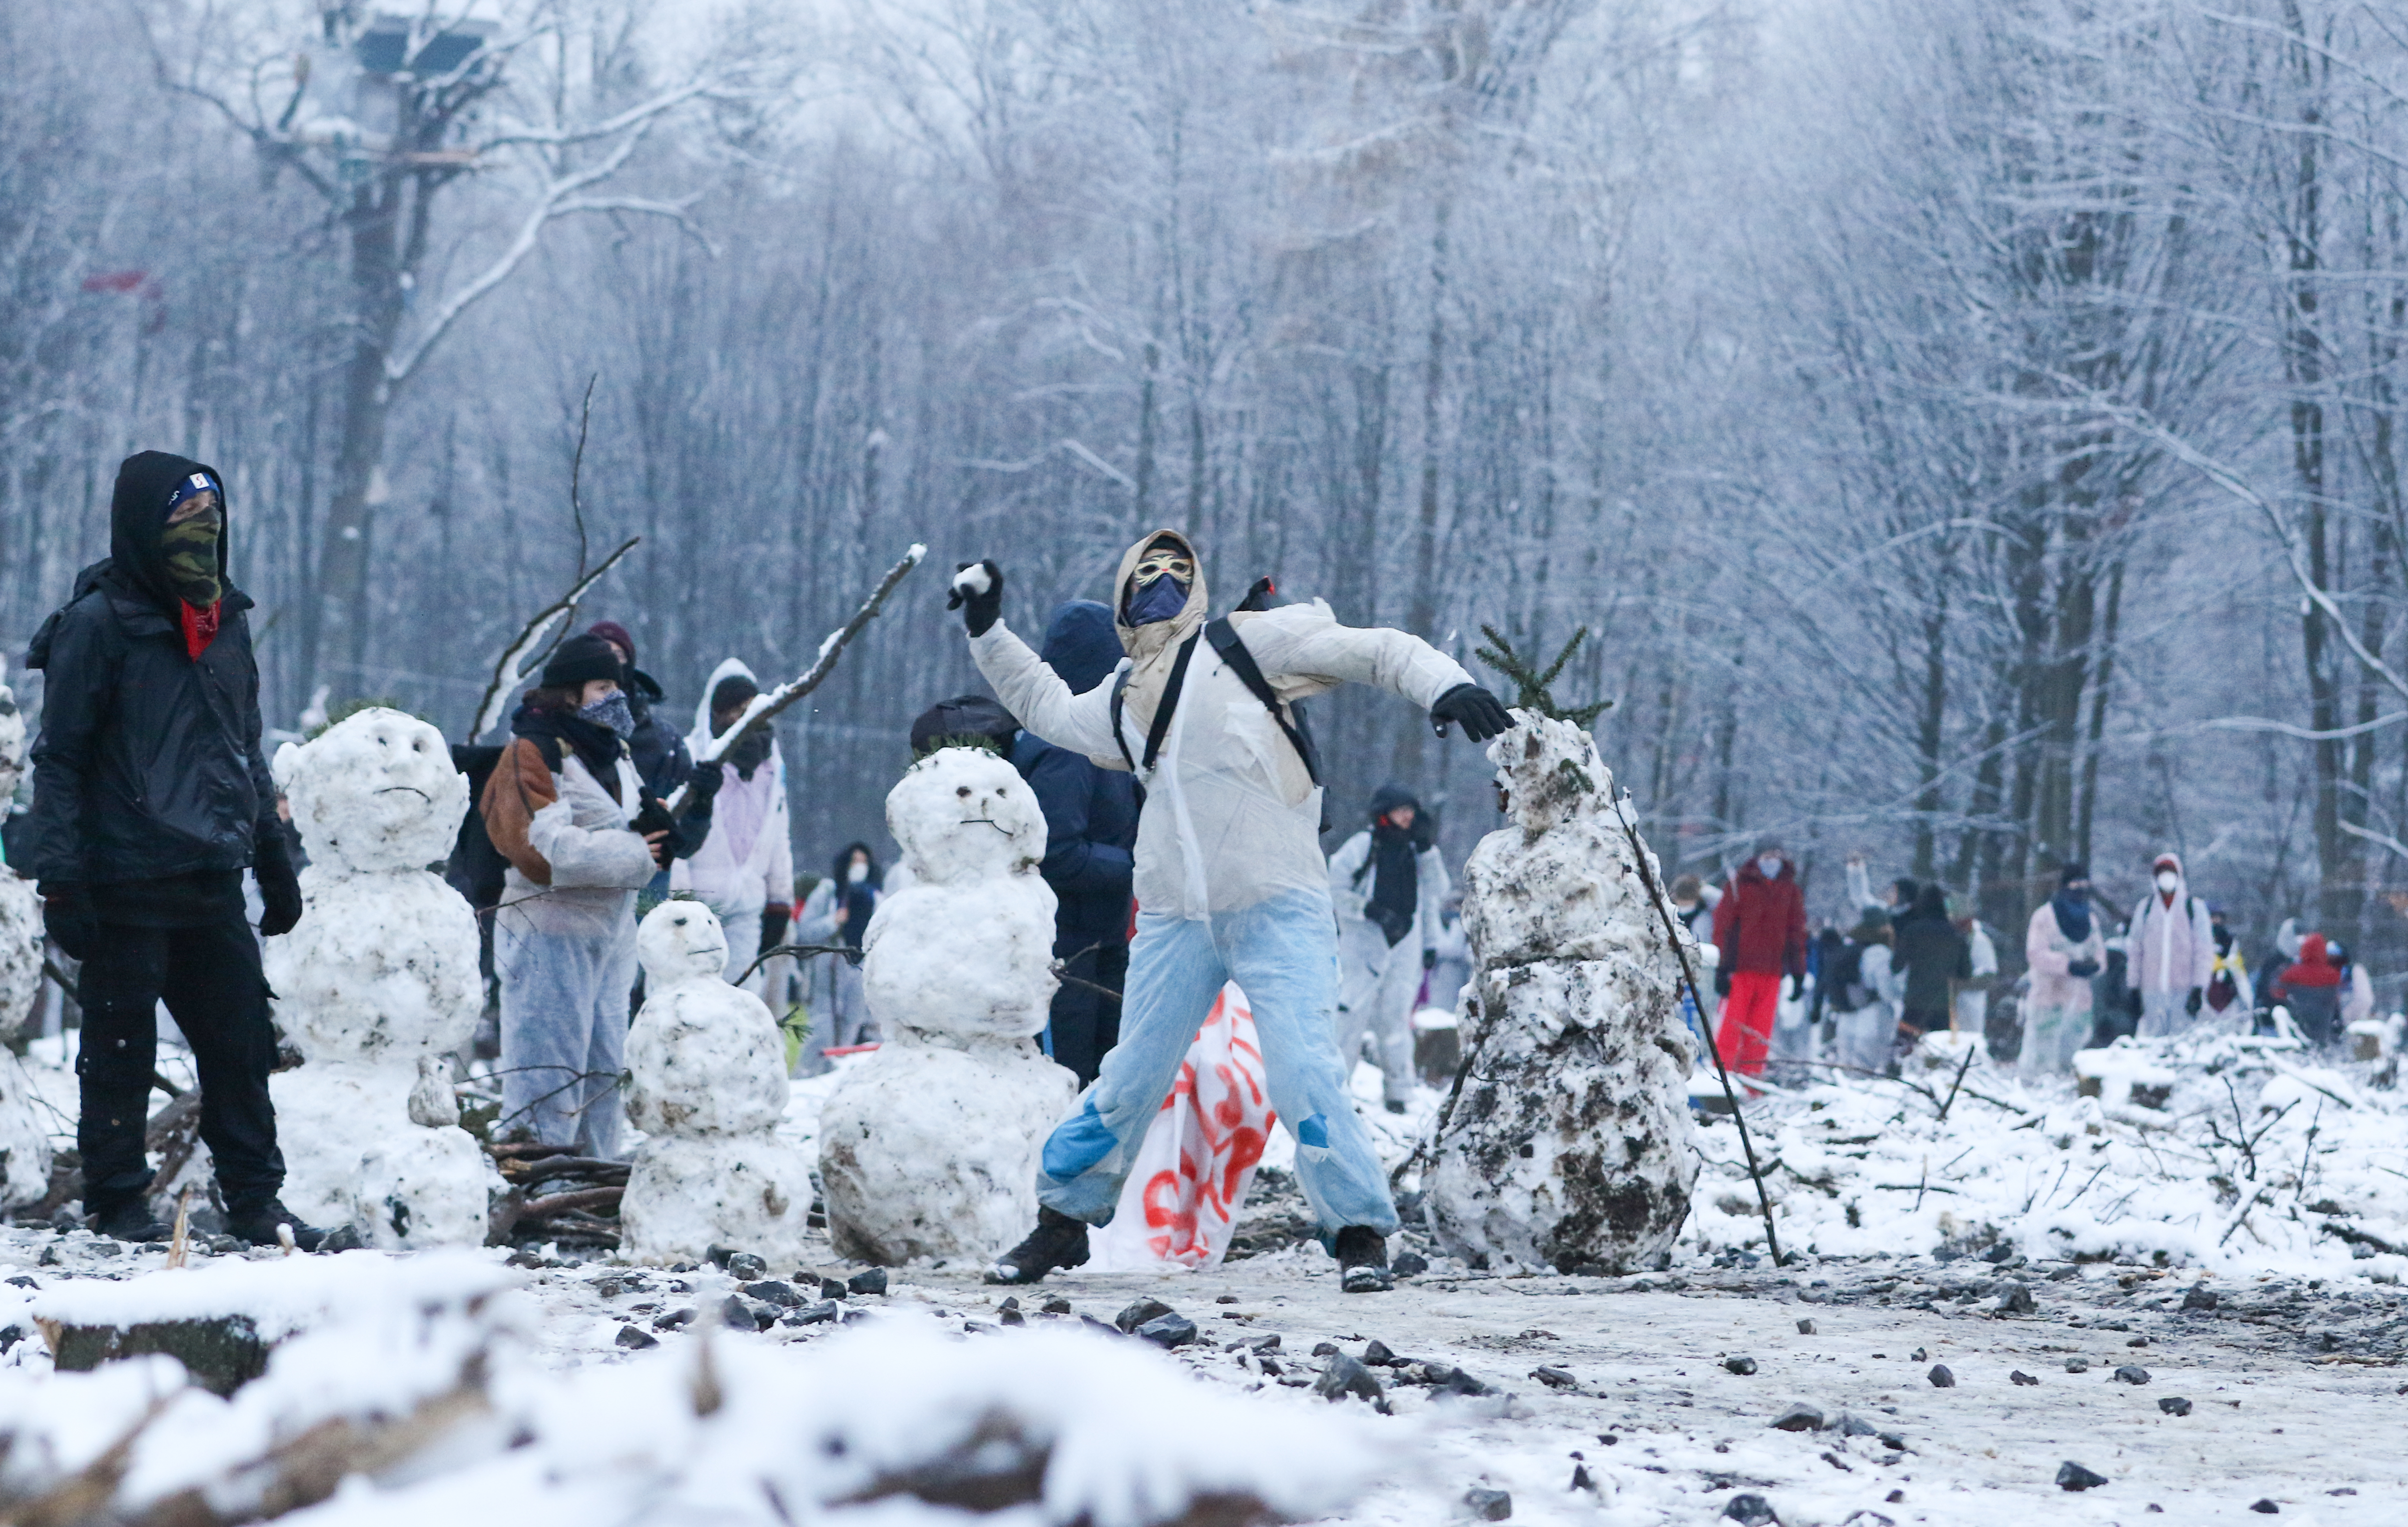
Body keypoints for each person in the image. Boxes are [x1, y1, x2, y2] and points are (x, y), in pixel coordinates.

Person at [951, 529, 1511, 1292]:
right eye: (1145, 574)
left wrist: (1445, 686)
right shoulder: (1124, 696)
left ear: (1198, 586)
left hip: (1280, 904)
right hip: (1178, 917)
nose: (1160, 583)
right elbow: (1045, 706)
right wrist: (987, 627)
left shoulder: (1249, 642)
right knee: (1129, 1077)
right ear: (1122, 594)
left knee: (1304, 1067)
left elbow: (1375, 649)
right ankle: (1061, 1224)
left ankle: (1357, 1233)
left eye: (1176, 572)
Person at [23, 451, 321, 1247]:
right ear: (142, 528)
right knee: (120, 1050)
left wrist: (272, 856)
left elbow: (242, 747)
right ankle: (118, 1201)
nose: (203, 536)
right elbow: (61, 759)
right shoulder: (96, 625)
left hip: (212, 879)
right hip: (125, 878)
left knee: (242, 1045)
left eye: (211, 520)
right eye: (183, 521)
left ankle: (258, 1201)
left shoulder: (228, 620)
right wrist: (62, 879)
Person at [479, 633, 668, 1156]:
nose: (615, 696)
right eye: (602, 685)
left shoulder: (612, 748)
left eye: (616, 684)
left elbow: (620, 824)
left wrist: (662, 825)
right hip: (549, 932)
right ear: (569, 691)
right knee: (549, 1068)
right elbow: (541, 849)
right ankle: (536, 1178)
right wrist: (636, 853)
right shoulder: (533, 750)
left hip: (611, 932)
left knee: (605, 1064)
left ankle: (593, 1179)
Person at [993, 602, 1142, 1090]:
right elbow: (1056, 851)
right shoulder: (1063, 743)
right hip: (1065, 951)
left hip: (1099, 939)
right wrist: (1136, 866)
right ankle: (1052, 1168)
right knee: (1068, 1081)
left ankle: (1094, 1168)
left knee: (1104, 1079)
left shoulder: (1098, 737)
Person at [669, 661, 794, 996]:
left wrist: (780, 900)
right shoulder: (693, 756)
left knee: (741, 997)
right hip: (700, 903)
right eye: (732, 710)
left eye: (747, 708)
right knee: (692, 997)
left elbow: (779, 834)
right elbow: (673, 831)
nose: (741, 717)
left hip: (748, 905)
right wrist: (678, 898)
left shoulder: (772, 765)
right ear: (715, 711)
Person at [1328, 783, 1449, 1115]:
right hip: (1363, 943)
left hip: (1405, 945)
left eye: (1411, 810)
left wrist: (1430, 943)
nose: (1407, 817)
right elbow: (1332, 886)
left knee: (1396, 1021)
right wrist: (1367, 909)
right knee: (1350, 1017)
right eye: (1400, 810)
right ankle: (1335, 1091)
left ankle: (1399, 1091)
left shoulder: (1417, 852)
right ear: (1384, 812)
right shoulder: (1364, 846)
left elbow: (1436, 893)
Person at [585, 620, 715, 877]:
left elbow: (684, 843)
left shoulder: (664, 742)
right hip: (575, 892)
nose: (610, 665)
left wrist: (701, 801)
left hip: (646, 894)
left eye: (618, 656)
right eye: (600, 655)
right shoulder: (559, 738)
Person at [1709, 837, 1808, 1077]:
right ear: (1757, 857)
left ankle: (1752, 1082)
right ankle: (1723, 1079)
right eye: (1767, 855)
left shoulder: (1790, 890)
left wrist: (1798, 972)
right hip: (1740, 969)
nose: (1773, 860)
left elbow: (1796, 932)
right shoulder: (1738, 885)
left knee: (1760, 1033)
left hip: (1773, 971)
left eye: (1777, 855)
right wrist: (1721, 968)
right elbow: (1723, 928)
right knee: (1731, 1028)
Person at [795, 842, 882, 1072]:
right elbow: (804, 932)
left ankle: (833, 1079)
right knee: (823, 1031)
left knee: (849, 1029)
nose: (859, 867)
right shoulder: (828, 892)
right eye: (854, 861)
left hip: (858, 970)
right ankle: (806, 1079)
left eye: (864, 862)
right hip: (828, 971)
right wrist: (833, 922)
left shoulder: (876, 898)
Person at [2021, 863, 2106, 1078]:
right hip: (2048, 1000)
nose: (2080, 888)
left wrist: (2094, 966)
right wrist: (2067, 965)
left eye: (2084, 884)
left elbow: (2100, 955)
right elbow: (2035, 954)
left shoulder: (2090, 920)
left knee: (2073, 1059)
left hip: (2079, 1004)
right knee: (2041, 1059)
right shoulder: (2044, 917)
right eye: (2075, 883)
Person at [2128, 852, 2212, 1038]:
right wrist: (2133, 986)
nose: (2166, 877)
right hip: (2151, 990)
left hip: (2184, 990)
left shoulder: (2194, 908)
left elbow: (2204, 951)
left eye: (2170, 872)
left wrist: (2199, 988)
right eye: (2162, 872)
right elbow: (2135, 949)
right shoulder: (2146, 908)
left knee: (2182, 1040)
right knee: (2152, 1040)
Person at [1889, 883, 1969, 1049]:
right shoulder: (1956, 935)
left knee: (1903, 1048)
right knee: (1940, 1052)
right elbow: (1965, 973)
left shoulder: (1912, 932)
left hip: (1915, 1002)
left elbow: (1896, 966)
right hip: (1942, 1005)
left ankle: (1895, 1072)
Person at [1826, 910, 1900, 1078]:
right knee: (1866, 1065)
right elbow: (1885, 988)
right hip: (1872, 1011)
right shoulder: (1879, 952)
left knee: (1847, 1062)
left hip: (1847, 1013)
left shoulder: (1850, 945)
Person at [2272, 932, 2344, 1045]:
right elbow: (2336, 1003)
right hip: (2323, 1029)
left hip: (2297, 1027)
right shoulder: (2333, 976)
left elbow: (2277, 993)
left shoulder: (2291, 974)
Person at [1954, 905, 1998, 1040]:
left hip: (1972, 1006)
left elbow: (1989, 977)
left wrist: (1959, 984)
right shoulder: (1954, 939)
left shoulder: (1980, 942)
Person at [2205, 907, 2250, 1017]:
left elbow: (2236, 961)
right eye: (2212, 918)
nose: (2215, 921)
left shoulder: (2228, 939)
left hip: (2226, 984)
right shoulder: (2200, 937)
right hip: (2206, 981)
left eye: (2218, 918)